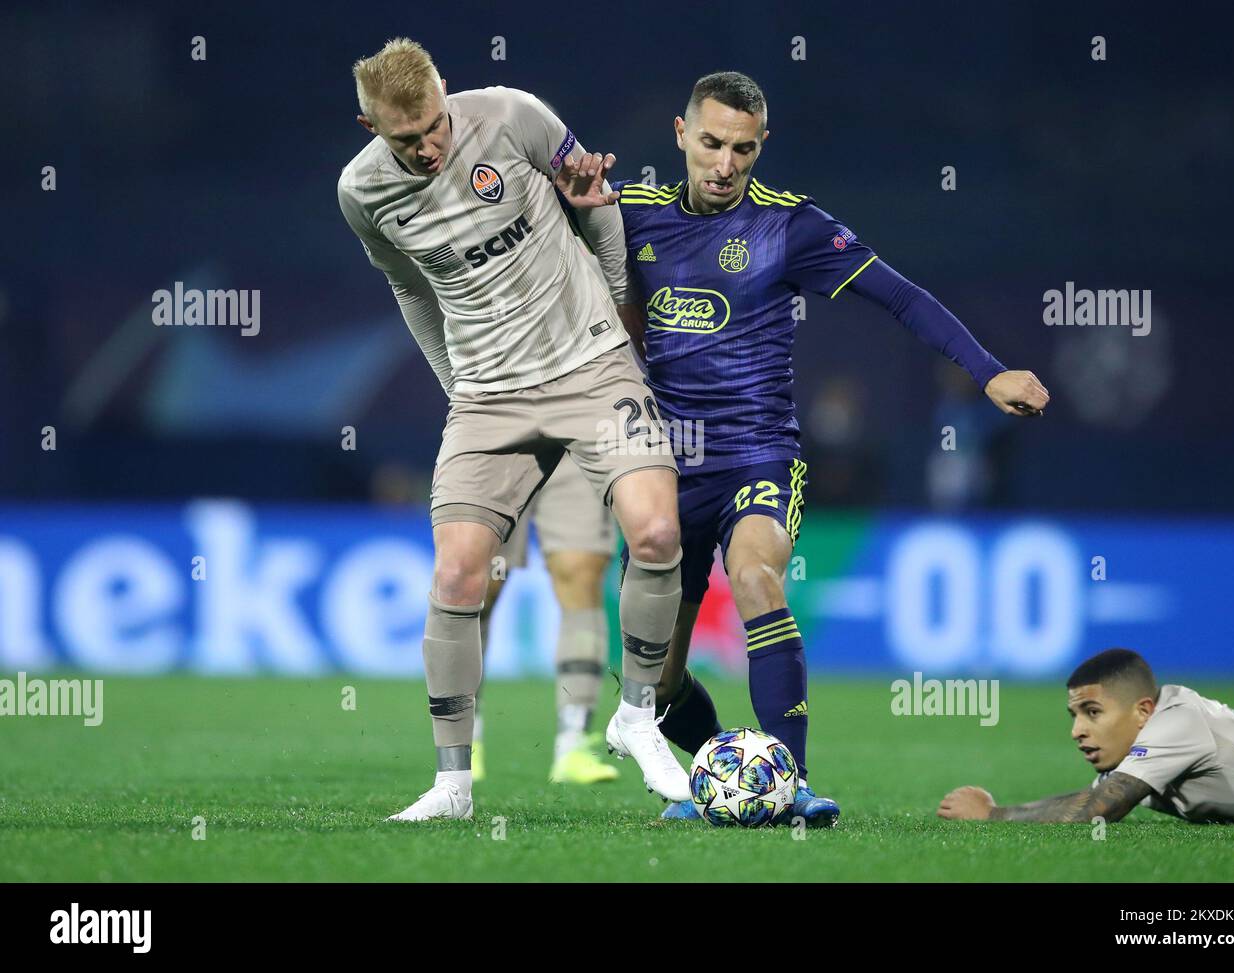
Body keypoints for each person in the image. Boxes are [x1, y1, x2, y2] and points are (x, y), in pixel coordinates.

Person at [558, 71, 1050, 827]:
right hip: (662, 464)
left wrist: (987, 371)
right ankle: (729, 772)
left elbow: (902, 295)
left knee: (757, 574)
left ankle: (793, 783)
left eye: (744, 151)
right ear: (682, 134)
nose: (726, 165)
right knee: (654, 682)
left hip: (758, 450)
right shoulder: (631, 217)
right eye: (713, 144)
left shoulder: (792, 227)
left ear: (762, 148)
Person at [338, 38, 690, 821]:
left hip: (591, 368)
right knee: (459, 577)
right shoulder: (361, 195)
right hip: (488, 396)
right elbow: (410, 288)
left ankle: (635, 717)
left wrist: (610, 312)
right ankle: (453, 785)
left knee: (657, 533)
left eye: (434, 124)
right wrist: (454, 386)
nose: (429, 146)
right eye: (406, 139)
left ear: (445, 93)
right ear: (369, 126)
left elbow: (597, 202)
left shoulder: (513, 116)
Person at [938, 648, 1234, 824]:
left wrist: (993, 815)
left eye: (1092, 713)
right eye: (1075, 715)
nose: (1077, 731)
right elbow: (1087, 798)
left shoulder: (1179, 722)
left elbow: (1101, 808)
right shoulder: (1146, 750)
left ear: (1143, 711)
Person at [475, 456, 621, 785]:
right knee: (479, 584)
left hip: (574, 434)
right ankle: (463, 740)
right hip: (497, 431)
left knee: (581, 576)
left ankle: (573, 743)